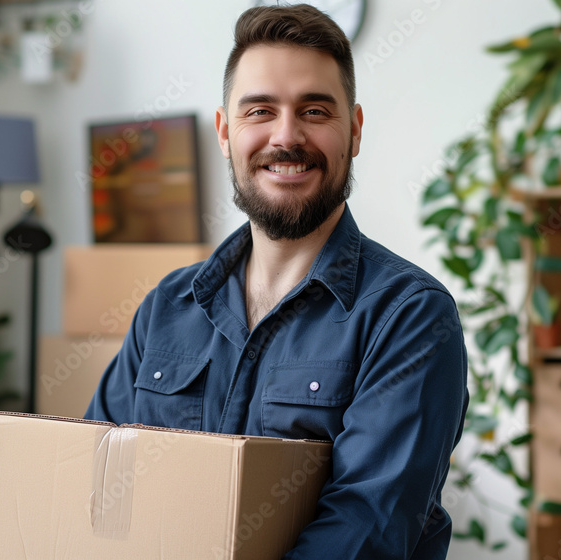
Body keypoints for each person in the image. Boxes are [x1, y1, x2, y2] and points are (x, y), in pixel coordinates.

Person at [85, 4, 468, 558]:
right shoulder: (167, 307)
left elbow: (367, 531)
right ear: (225, 133)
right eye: (260, 110)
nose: (286, 137)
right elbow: (99, 482)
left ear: (353, 130)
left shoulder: (409, 316)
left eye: (314, 110)